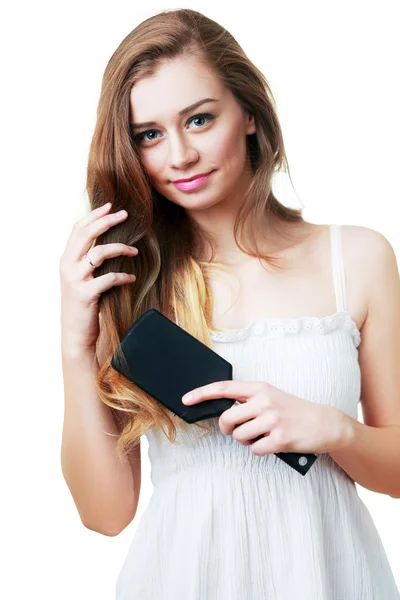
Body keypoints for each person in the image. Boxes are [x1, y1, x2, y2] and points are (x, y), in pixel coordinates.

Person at [59, 8, 400, 600]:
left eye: (199, 118)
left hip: (332, 580)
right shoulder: (131, 286)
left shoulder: (359, 260)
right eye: (149, 134)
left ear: (247, 111)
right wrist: (74, 346)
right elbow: (105, 515)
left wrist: (335, 430)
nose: (180, 156)